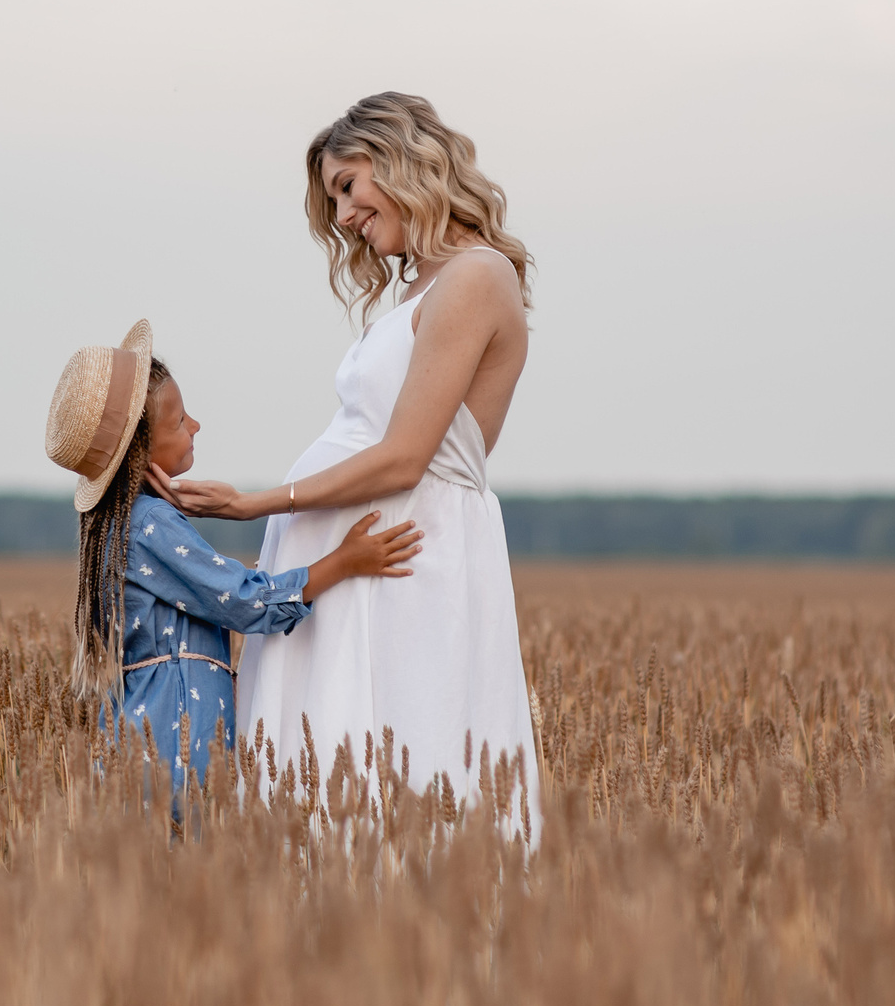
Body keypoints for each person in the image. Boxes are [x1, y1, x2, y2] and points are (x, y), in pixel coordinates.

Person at [165, 93, 542, 833]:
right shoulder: (421, 288)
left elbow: (403, 459)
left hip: (404, 556)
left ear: (403, 160)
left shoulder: (476, 276)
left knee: (407, 754)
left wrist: (255, 504)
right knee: (334, 763)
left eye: (348, 184)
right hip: (359, 559)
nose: (342, 216)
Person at [43, 320, 423, 800]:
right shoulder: (150, 525)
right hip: (169, 751)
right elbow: (242, 601)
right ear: (139, 451)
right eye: (180, 422)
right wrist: (344, 562)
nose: (195, 426)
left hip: (143, 741)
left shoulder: (127, 523)